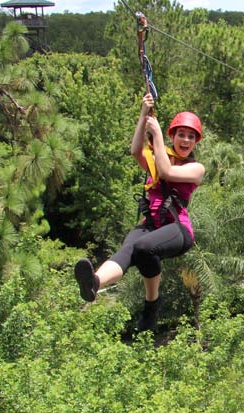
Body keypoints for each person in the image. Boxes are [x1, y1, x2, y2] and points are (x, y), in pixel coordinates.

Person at [74, 93, 205, 332]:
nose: (185, 140)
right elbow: (136, 150)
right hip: (151, 224)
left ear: (195, 142)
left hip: (178, 229)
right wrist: (144, 114)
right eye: (181, 134)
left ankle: (152, 303)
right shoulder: (161, 156)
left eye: (190, 137)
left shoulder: (196, 168)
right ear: (173, 136)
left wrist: (155, 137)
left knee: (144, 247)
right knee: (129, 249)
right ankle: (94, 283)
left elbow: (165, 172)